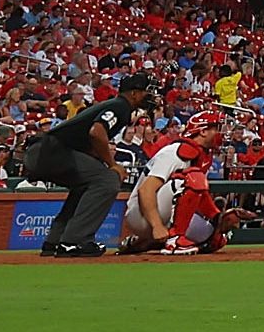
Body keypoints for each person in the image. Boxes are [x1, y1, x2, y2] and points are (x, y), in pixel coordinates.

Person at [23, 70, 151, 257]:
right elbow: (96, 131)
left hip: (44, 151)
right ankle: (74, 241)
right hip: (51, 151)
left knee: (88, 182)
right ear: (134, 93)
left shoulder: (116, 105)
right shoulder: (121, 106)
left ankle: (56, 241)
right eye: (145, 92)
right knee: (107, 179)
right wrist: (113, 165)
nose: (149, 96)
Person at [119, 112, 231, 254]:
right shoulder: (176, 152)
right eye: (216, 128)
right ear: (202, 131)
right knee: (191, 178)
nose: (220, 133)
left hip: (162, 212)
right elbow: (146, 190)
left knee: (213, 238)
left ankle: (145, 242)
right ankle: (175, 240)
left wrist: (217, 218)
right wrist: (156, 226)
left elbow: (199, 195)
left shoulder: (201, 154)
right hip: (140, 214)